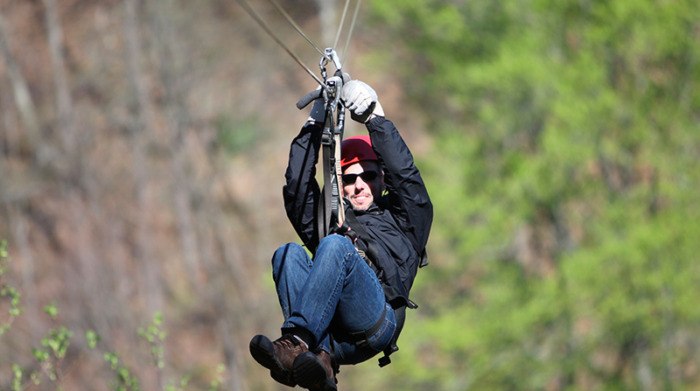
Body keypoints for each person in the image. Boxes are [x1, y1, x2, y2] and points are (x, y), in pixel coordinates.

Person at [249, 79, 433, 391]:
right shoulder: (329, 219)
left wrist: (375, 118)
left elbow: (407, 179)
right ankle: (319, 363)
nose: (360, 185)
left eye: (369, 175)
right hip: (332, 336)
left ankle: (296, 345)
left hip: (376, 320)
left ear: (382, 178)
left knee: (335, 245)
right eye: (350, 178)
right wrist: (314, 123)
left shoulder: (404, 220)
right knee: (288, 253)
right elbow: (297, 190)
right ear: (341, 184)